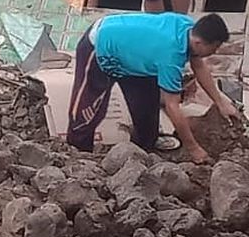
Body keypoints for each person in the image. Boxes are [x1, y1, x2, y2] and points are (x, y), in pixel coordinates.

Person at [66, 11, 237, 161]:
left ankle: (144, 147)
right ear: (200, 43)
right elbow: (172, 106)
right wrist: (193, 148)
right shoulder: (170, 57)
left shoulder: (187, 26)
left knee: (146, 105)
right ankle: (78, 152)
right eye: (214, 48)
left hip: (136, 57)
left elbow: (198, 66)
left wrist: (221, 103)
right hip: (102, 45)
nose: (214, 53)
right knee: (89, 107)